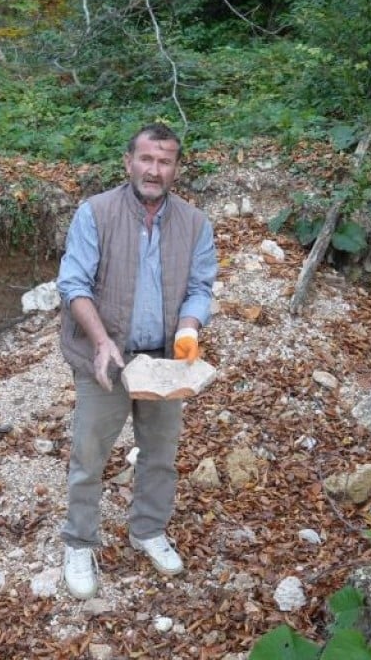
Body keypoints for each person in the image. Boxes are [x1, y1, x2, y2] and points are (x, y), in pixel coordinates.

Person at [54, 122, 218, 599]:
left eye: (164, 161)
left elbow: (200, 288)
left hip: (166, 360)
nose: (154, 169)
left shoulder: (195, 223)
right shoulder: (96, 213)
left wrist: (189, 328)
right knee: (90, 455)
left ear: (176, 169)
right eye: (146, 159)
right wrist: (102, 342)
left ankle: (148, 529)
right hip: (104, 356)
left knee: (161, 454)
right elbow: (74, 285)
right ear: (128, 162)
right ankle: (80, 541)